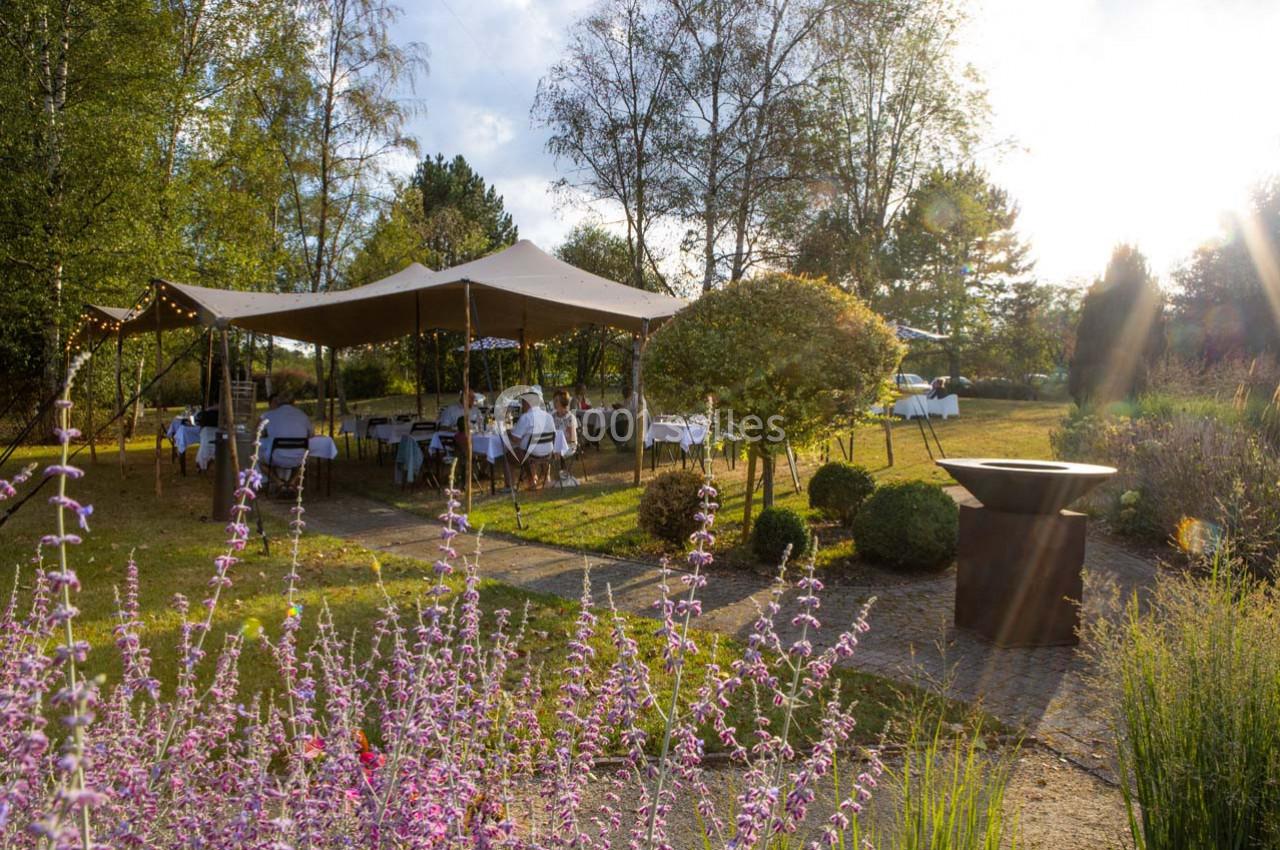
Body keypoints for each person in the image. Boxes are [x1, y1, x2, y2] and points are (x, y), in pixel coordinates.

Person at [261, 390, 313, 487]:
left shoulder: (269, 415)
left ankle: (279, 483)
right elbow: (311, 435)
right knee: (303, 462)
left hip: (276, 457)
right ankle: (292, 482)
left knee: (261, 462)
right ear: (294, 401)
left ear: (278, 401)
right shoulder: (303, 415)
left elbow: (260, 433)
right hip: (299, 457)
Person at [507, 389, 557, 488]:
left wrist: (508, 432)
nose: (522, 405)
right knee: (529, 450)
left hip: (530, 455)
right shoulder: (548, 416)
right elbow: (554, 435)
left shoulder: (526, 417)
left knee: (508, 455)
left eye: (523, 402)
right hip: (548, 453)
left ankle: (510, 486)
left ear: (527, 403)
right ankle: (542, 478)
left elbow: (515, 439)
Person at [552, 389, 578, 454]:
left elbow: (572, 439)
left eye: (556, 401)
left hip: (568, 446)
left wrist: (558, 443)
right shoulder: (553, 416)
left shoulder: (570, 417)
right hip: (555, 445)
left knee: (551, 453)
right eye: (554, 400)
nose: (554, 403)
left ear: (563, 402)